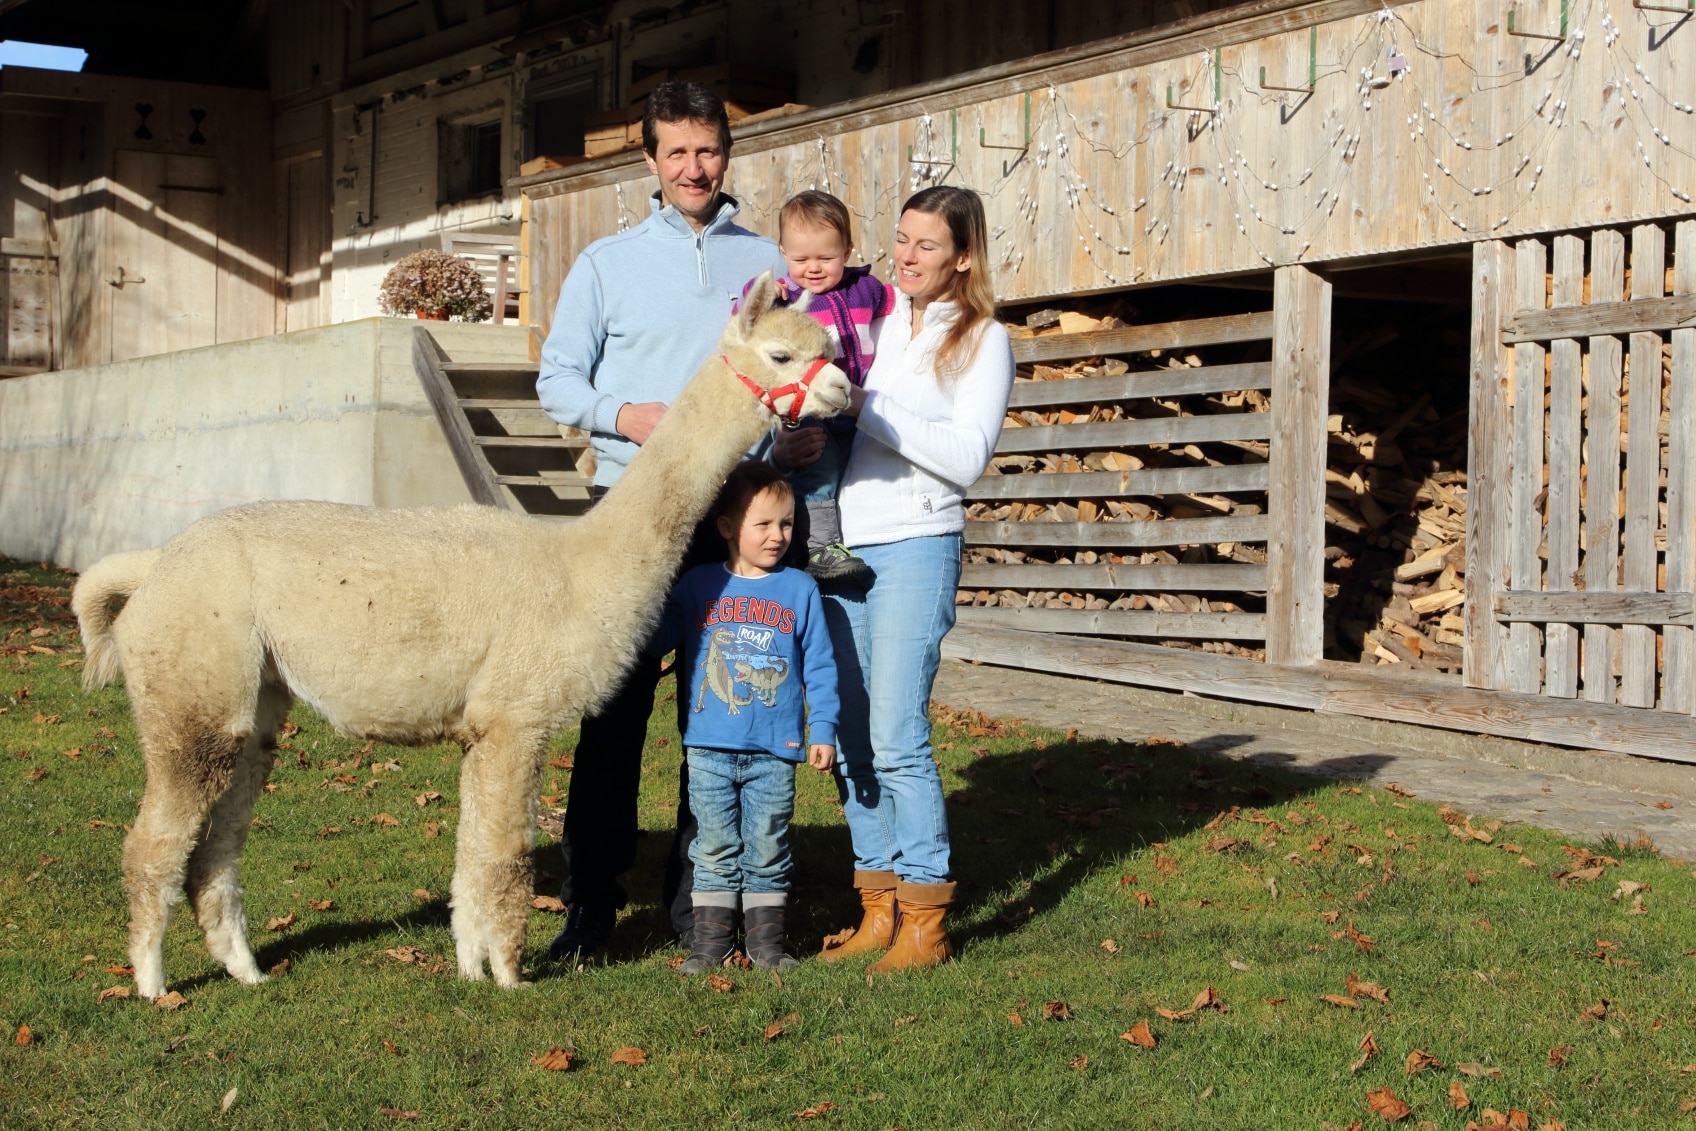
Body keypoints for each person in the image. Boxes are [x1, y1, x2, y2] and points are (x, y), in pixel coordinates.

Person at [535, 80, 787, 962]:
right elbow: (556, 378)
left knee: (714, 719)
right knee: (613, 718)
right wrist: (622, 415)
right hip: (630, 518)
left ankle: (699, 906)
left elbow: (783, 373)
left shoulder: (766, 265)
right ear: (648, 161)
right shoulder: (606, 265)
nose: (693, 167)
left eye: (707, 150)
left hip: (732, 521)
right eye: (675, 152)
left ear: (727, 154)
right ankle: (592, 906)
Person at [778, 186, 1013, 973]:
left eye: (927, 246)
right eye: (901, 240)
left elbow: (966, 457)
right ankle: (875, 908)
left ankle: (926, 917)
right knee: (848, 733)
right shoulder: (876, 320)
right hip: (846, 541)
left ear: (965, 256)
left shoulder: (983, 339)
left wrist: (862, 407)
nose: (906, 257)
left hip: (917, 541)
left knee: (896, 735)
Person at [649, 462, 839, 973]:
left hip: (775, 751)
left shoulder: (800, 589)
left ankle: (767, 946)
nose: (778, 536)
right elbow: (656, 634)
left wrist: (821, 728)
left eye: (787, 524)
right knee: (712, 845)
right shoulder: (697, 585)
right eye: (764, 524)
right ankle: (709, 945)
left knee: (768, 845)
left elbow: (819, 666)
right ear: (728, 528)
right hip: (709, 747)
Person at [741, 191, 895, 585]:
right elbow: (747, 319)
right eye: (799, 259)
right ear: (782, 252)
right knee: (819, 465)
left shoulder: (867, 290)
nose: (812, 269)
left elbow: (904, 304)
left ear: (847, 248)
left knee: (848, 470)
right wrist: (759, 294)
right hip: (810, 406)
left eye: (825, 259)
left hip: (855, 406)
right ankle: (820, 547)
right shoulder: (788, 300)